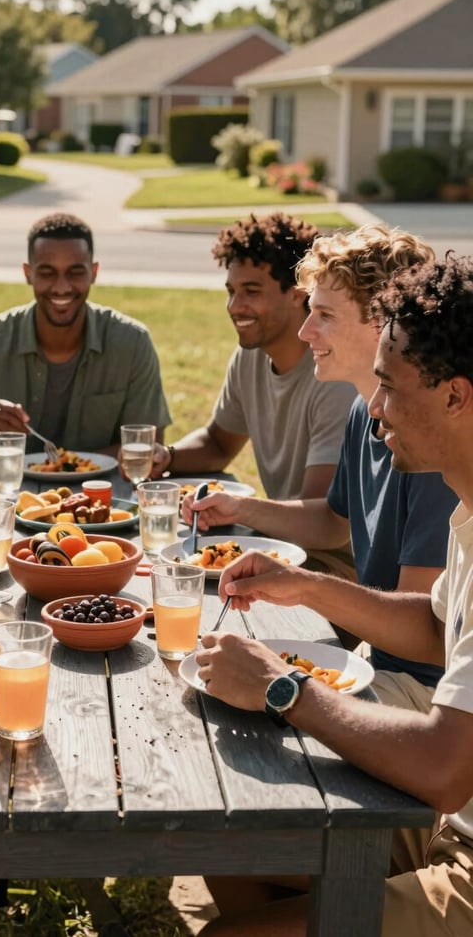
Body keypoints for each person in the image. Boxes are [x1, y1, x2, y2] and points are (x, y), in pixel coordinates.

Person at [195, 253, 473, 937]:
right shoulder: (468, 511)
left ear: (455, 395)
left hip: (460, 848)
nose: (373, 407)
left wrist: (281, 687)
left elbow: (442, 766)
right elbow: (439, 628)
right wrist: (304, 584)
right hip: (448, 823)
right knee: (221, 838)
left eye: (389, 386)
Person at [184, 226, 458, 700]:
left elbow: (425, 635)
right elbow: (334, 523)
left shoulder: (430, 446)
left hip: (424, 691)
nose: (305, 330)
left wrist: (305, 587)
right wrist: (241, 509)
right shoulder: (362, 409)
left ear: (383, 321)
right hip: (375, 662)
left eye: (325, 315)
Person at [151, 213, 355, 507]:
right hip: (281, 536)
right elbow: (218, 443)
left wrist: (239, 510)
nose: (235, 307)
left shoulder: (334, 377)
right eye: (231, 292)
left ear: (298, 294)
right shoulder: (252, 356)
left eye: (251, 291)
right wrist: (167, 456)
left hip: (324, 551)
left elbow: (319, 513)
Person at [0, 211, 171, 463]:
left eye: (75, 272)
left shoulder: (132, 342)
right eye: (47, 272)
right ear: (28, 273)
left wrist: (65, 465)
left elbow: (149, 447)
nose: (61, 287)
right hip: (11, 497)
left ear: (93, 272)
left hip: (105, 495)